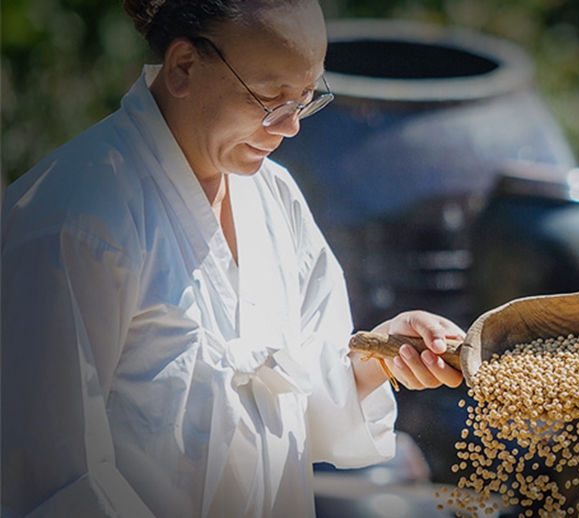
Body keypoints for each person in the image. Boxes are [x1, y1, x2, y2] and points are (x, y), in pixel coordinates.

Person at [0, 0, 464, 516]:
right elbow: (51, 478)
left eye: (306, 99)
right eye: (271, 98)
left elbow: (291, 396)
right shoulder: (77, 219)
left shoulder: (275, 198)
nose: (290, 128)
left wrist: (377, 359)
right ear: (183, 67)